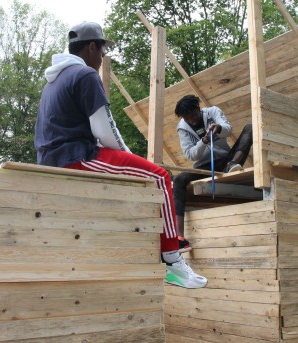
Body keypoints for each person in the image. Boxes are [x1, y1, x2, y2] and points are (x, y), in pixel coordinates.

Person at [34, 22, 207, 289]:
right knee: (160, 176)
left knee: (139, 175)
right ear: (91, 47)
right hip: (77, 156)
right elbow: (105, 130)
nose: (103, 58)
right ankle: (173, 262)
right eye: (103, 50)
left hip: (50, 158)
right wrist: (135, 160)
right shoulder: (85, 74)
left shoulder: (53, 81)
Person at [172, 95, 254, 251]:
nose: (192, 120)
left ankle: (233, 165)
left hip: (226, 160)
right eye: (187, 118)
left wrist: (219, 128)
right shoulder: (182, 127)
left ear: (198, 108)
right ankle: (179, 237)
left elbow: (228, 129)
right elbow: (190, 155)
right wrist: (203, 142)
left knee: (250, 128)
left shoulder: (213, 111)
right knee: (179, 179)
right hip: (203, 167)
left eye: (193, 115)